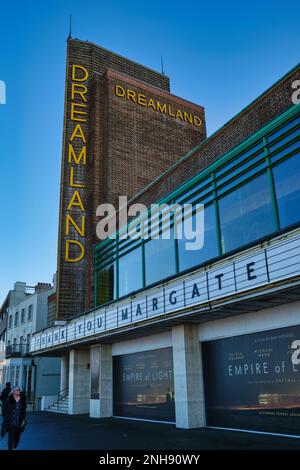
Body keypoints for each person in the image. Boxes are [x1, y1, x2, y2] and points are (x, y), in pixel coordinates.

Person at [1, 386, 27, 450]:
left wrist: (23, 419)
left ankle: (14, 447)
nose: (18, 391)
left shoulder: (22, 400)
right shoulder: (9, 400)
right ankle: (10, 449)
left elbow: (24, 411)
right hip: (11, 422)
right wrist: (7, 418)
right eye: (17, 390)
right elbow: (4, 411)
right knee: (11, 437)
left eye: (19, 389)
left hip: (19, 422)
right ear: (13, 392)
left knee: (17, 437)